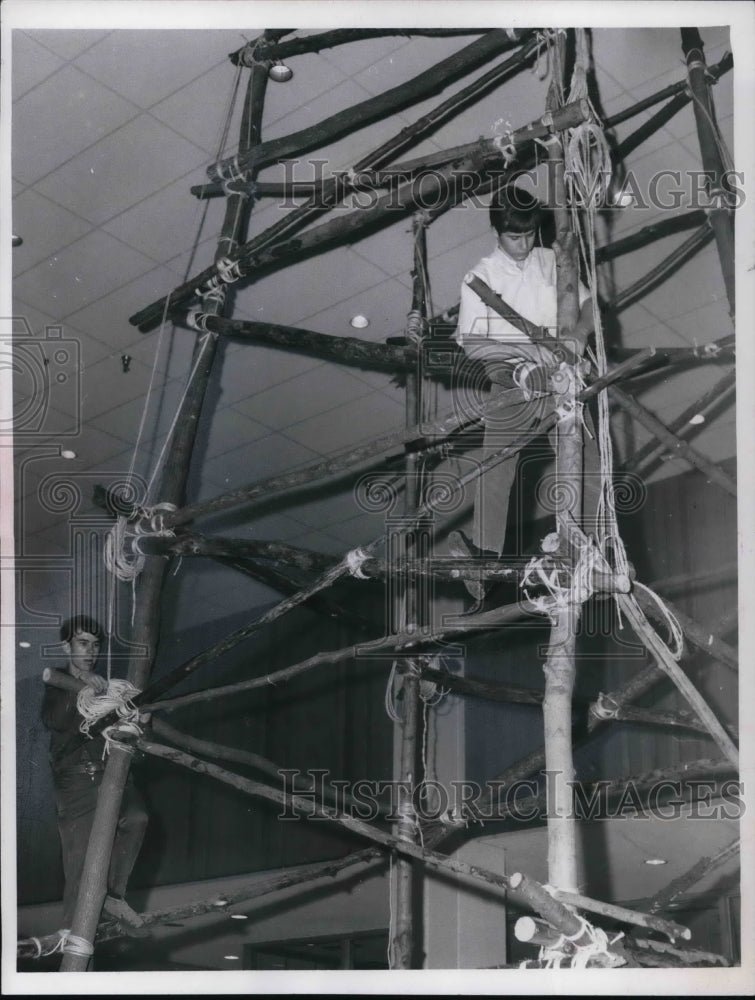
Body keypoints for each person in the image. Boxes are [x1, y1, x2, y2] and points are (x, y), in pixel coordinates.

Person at [451, 186, 601, 605]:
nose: (523, 244)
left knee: (588, 458)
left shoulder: (552, 260)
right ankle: (483, 558)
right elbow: (472, 343)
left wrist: (577, 335)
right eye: (514, 237)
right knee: (497, 463)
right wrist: (525, 349)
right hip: (513, 375)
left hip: (561, 372)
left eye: (530, 235)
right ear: (496, 231)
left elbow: (589, 306)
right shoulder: (480, 276)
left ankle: (585, 544)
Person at [42, 615, 149, 935]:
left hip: (111, 772)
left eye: (95, 645)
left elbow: (136, 745)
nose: (90, 651)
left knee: (138, 817)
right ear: (67, 646)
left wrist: (141, 719)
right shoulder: (57, 680)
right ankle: (72, 932)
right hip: (77, 779)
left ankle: (113, 896)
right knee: (80, 859)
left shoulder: (108, 689)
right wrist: (83, 692)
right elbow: (55, 721)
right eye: (82, 643)